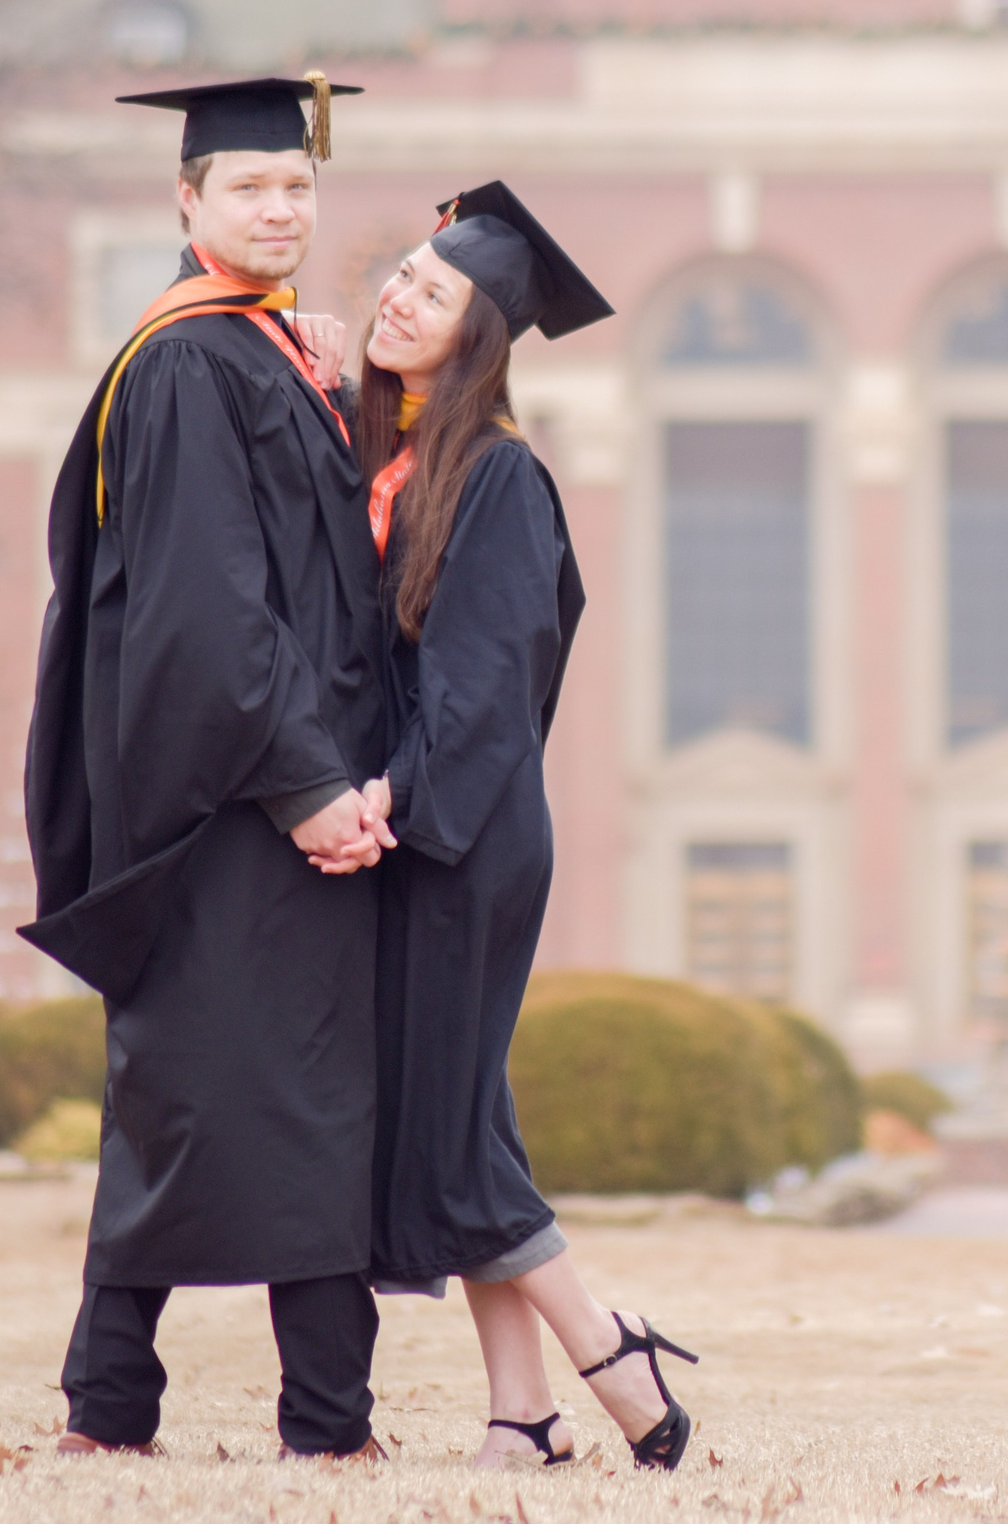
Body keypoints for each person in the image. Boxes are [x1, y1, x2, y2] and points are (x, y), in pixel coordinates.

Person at [19, 73, 398, 1461]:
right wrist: (308, 786)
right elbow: (204, 605)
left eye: (298, 185)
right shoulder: (188, 362)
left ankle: (172, 1410)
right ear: (185, 201)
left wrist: (353, 391)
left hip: (286, 794)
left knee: (231, 1098)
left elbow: (319, 575)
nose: (282, 206)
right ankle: (257, 1417)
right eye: (250, 185)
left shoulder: (268, 352)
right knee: (237, 1098)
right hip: (234, 806)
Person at [358, 182, 701, 1472]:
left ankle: (618, 1360)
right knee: (467, 1118)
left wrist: (395, 792)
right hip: (414, 831)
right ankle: (522, 1417)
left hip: (467, 836)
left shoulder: (500, 481)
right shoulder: (391, 460)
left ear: (478, 338)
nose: (400, 295)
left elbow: (487, 691)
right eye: (401, 273)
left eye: (432, 293)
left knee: (446, 1134)